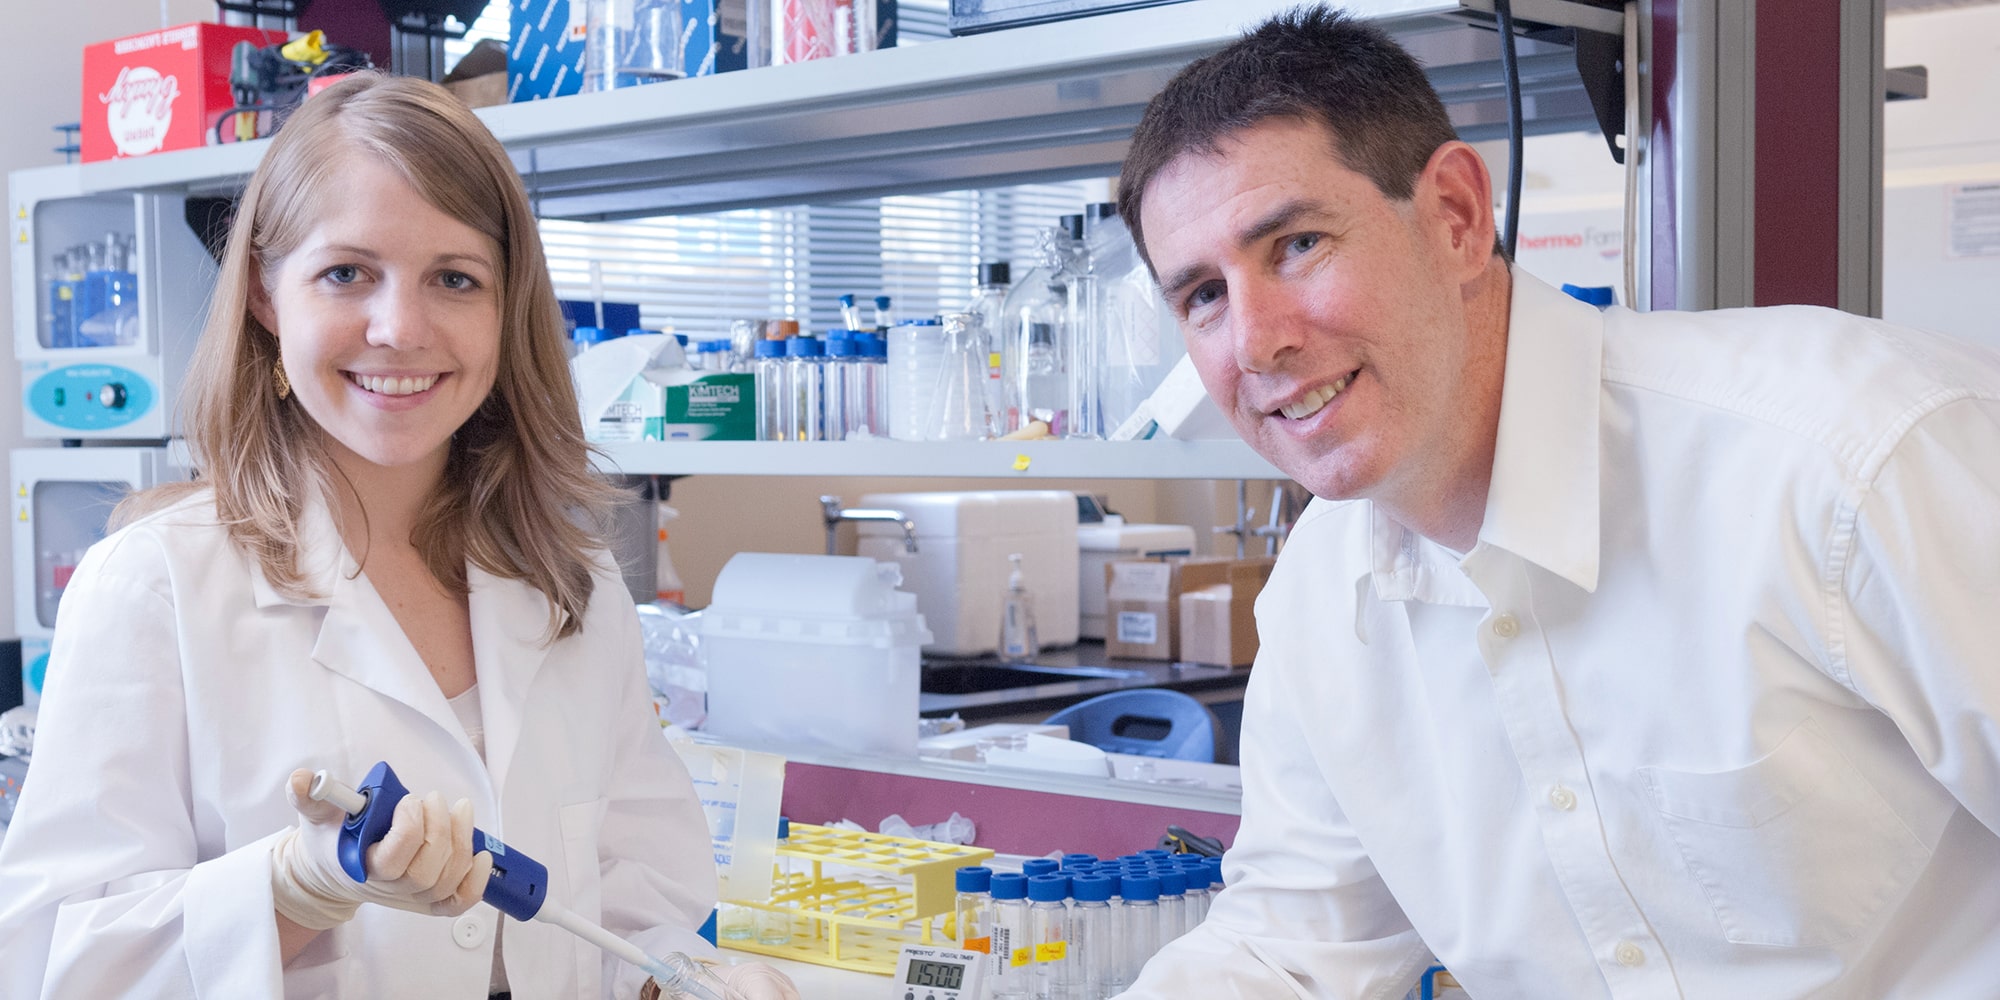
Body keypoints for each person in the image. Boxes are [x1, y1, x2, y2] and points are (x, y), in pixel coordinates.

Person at [1113, 7, 2000, 998]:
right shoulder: (1323, 599)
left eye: (1298, 244)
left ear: (1453, 216)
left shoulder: (1848, 458)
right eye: (1201, 296)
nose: (1254, 340)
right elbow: (1284, 949)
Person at [0, 74, 796, 999]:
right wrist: (299, 889)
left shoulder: (568, 581)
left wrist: (684, 980)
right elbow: (53, 963)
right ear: (266, 294)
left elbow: (633, 900)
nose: (400, 328)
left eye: (455, 279)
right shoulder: (154, 584)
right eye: (347, 273)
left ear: (506, 311)